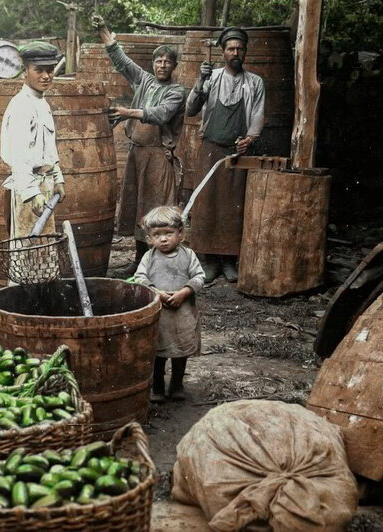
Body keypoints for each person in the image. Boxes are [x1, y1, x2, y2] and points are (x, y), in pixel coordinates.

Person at [91, 14, 187, 277]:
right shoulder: (143, 80)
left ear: (174, 66)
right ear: (153, 63)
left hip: (158, 158)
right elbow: (121, 60)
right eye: (158, 60)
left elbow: (160, 114)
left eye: (168, 61)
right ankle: (139, 262)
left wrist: (128, 112)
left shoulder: (176, 91)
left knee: (157, 209)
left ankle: (160, 266)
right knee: (137, 207)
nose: (162, 65)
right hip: (137, 154)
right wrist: (104, 30)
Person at [185, 27, 265, 282]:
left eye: (240, 48)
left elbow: (257, 116)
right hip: (210, 148)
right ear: (222, 52)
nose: (236, 53)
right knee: (207, 204)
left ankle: (230, 261)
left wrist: (250, 139)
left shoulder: (255, 82)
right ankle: (210, 262)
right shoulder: (212, 77)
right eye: (231, 48)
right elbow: (190, 110)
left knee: (233, 205)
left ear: (245, 51)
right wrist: (200, 82)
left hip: (237, 152)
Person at [134, 206, 205, 402]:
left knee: (180, 351)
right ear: (149, 238)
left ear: (180, 233)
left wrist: (185, 292)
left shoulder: (188, 255)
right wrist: (157, 293)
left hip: (182, 312)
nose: (163, 239)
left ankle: (176, 384)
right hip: (160, 314)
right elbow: (139, 278)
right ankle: (157, 387)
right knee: (159, 351)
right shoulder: (149, 257)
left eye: (168, 233)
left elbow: (199, 277)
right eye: (157, 235)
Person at [0, 42, 66, 238]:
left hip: (44, 185)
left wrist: (58, 179)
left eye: (50, 70)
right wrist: (31, 194)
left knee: (44, 250)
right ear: (25, 71)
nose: (46, 76)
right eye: (38, 70)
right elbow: (19, 157)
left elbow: (49, 149)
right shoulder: (21, 105)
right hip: (26, 187)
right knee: (26, 250)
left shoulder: (42, 103)